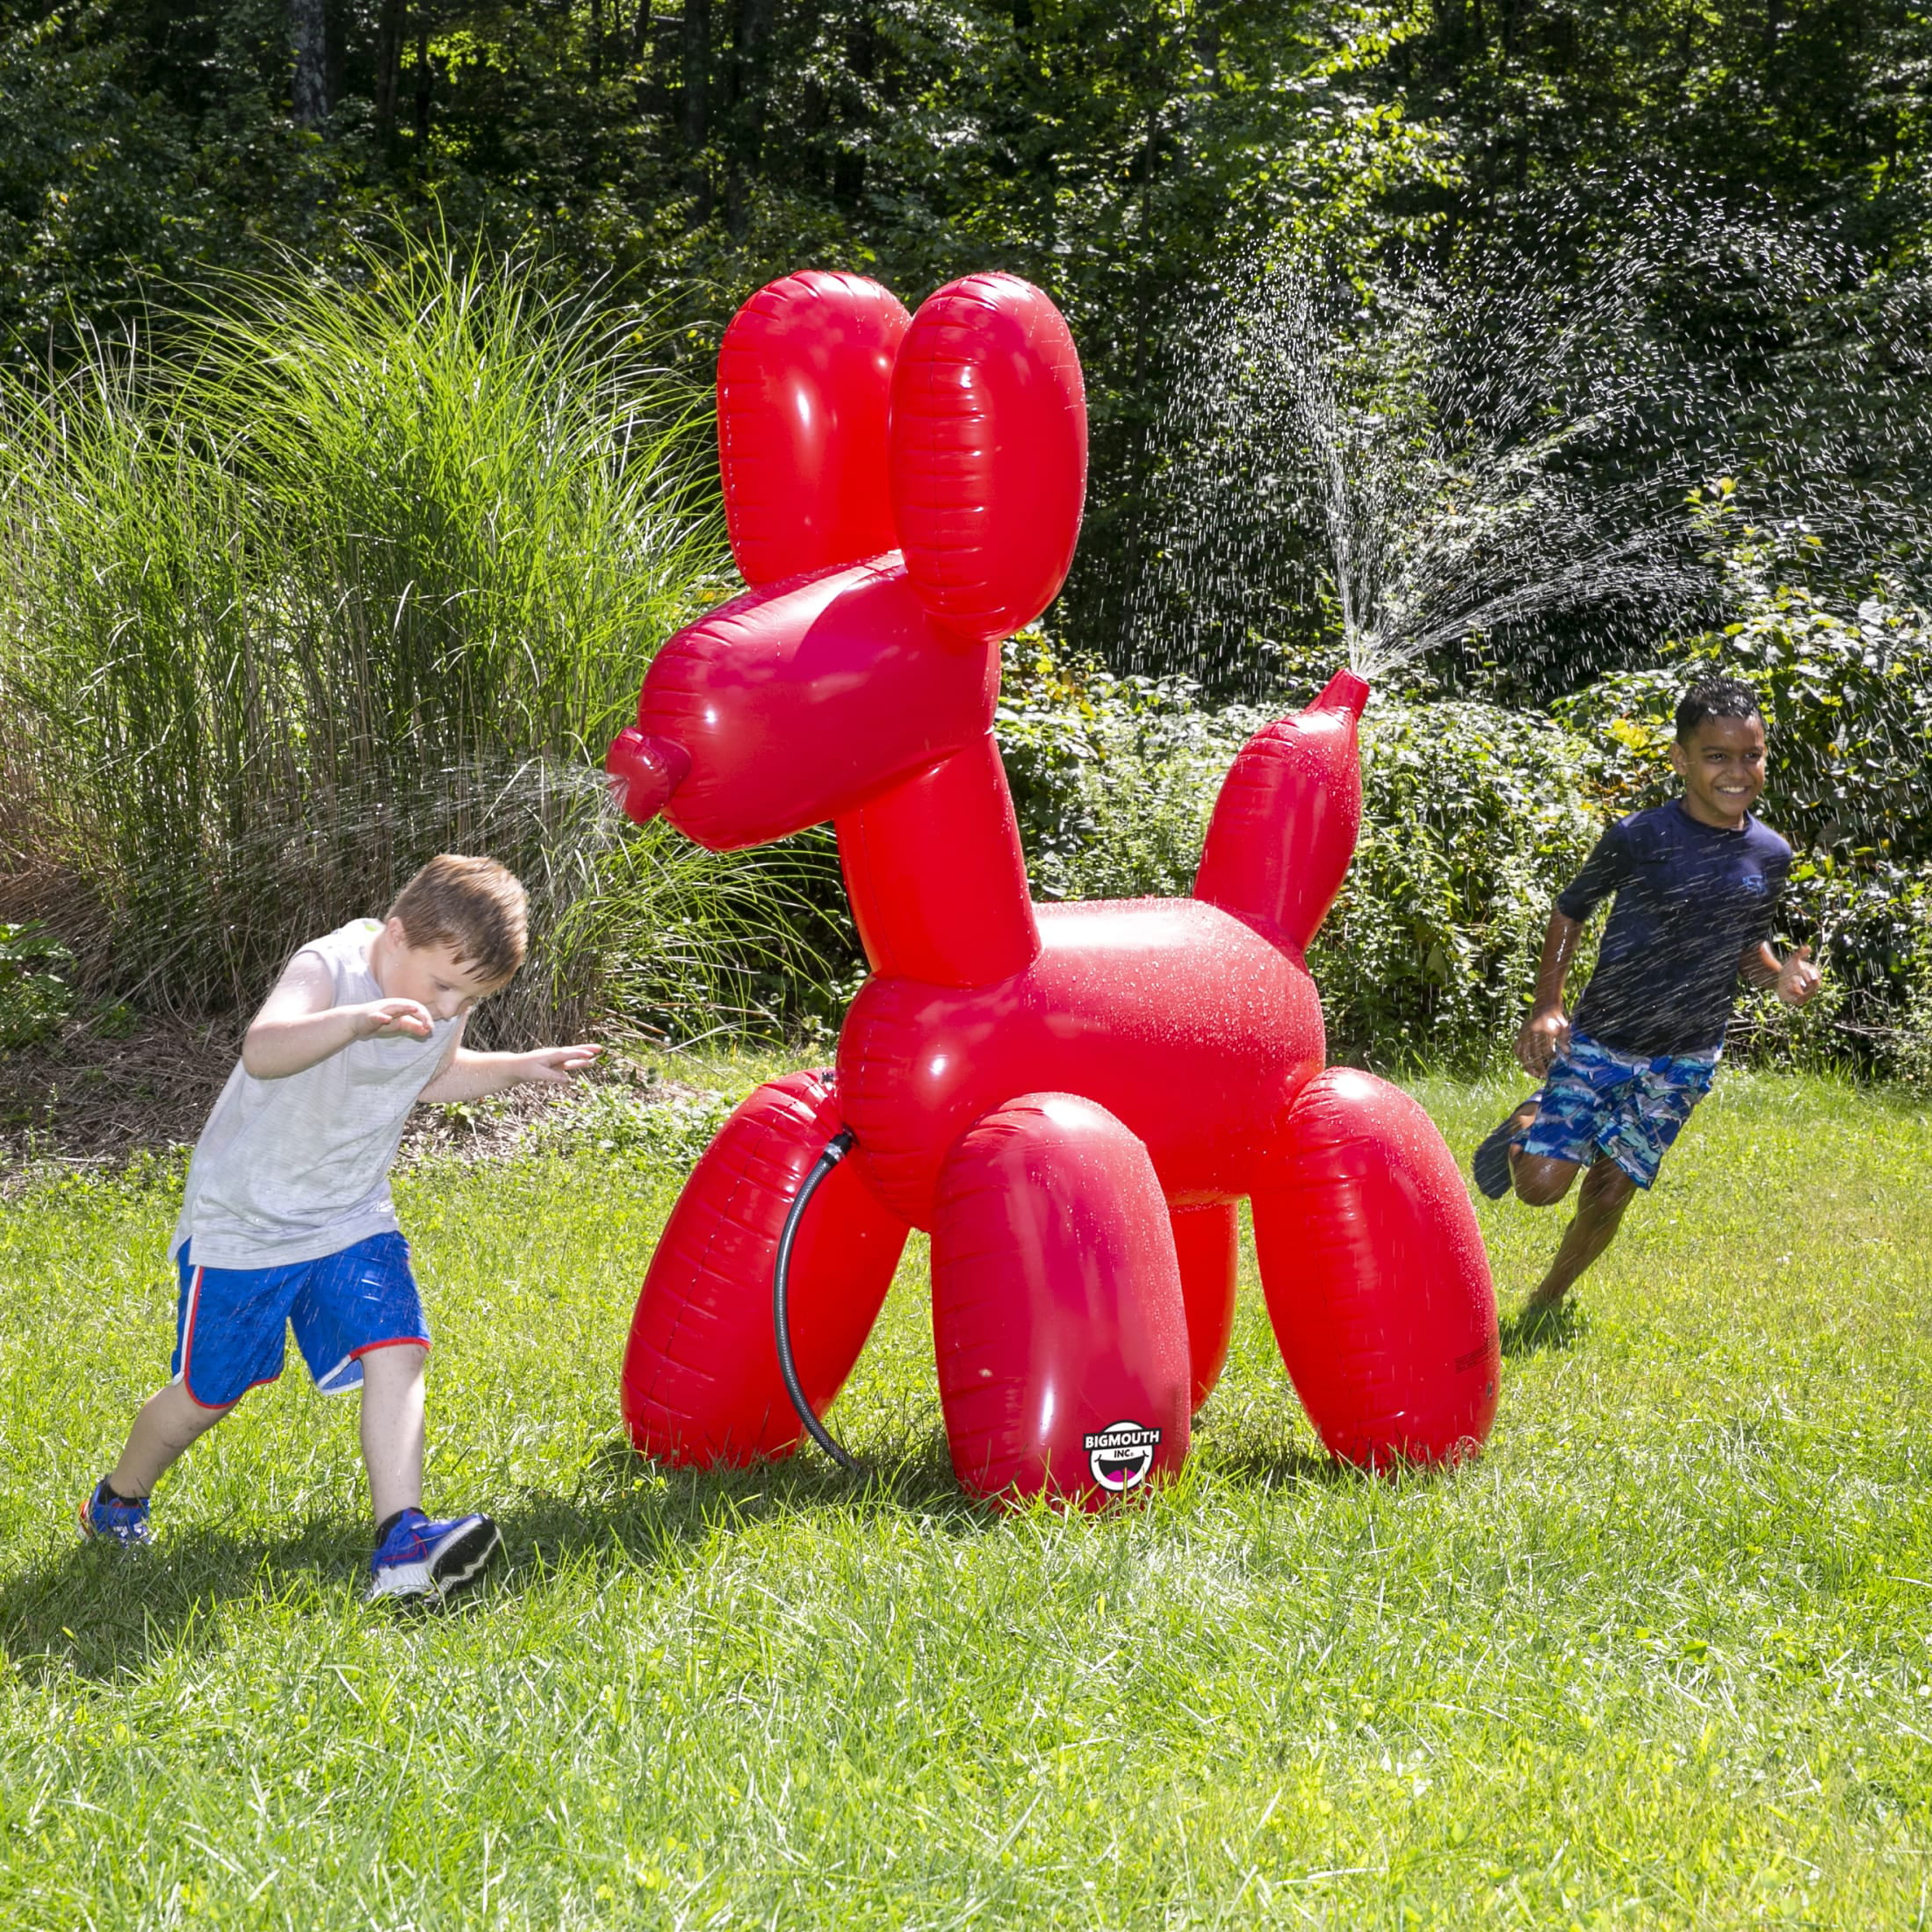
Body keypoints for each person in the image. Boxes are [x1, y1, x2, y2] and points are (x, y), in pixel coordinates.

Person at [80, 854, 600, 1600]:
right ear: (395, 935)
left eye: (469, 996)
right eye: (445, 987)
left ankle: (403, 1540)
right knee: (209, 1393)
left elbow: (433, 1075)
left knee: (400, 1346)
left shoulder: (439, 988)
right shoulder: (330, 966)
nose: (451, 1008)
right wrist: (355, 1020)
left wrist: (517, 1065)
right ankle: (117, 1499)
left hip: (352, 1214)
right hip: (249, 1221)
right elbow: (264, 1049)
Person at [1472, 679, 1821, 1315]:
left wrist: (1779, 977)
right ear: (1681, 759)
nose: (1737, 772)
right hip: (1604, 1039)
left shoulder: (1770, 855)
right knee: (1541, 1188)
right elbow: (1571, 909)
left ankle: (1548, 1299)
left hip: (1685, 1055)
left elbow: (1748, 948)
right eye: (1717, 756)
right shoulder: (1639, 838)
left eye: (1752, 755)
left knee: (1610, 1191)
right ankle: (1529, 1121)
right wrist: (1547, 1006)